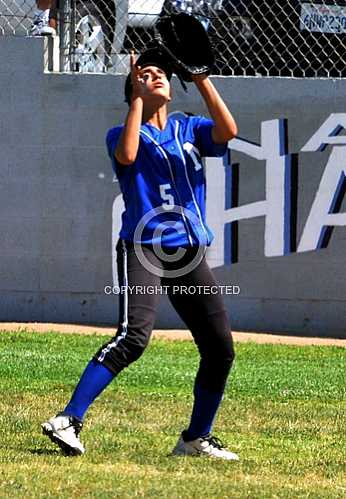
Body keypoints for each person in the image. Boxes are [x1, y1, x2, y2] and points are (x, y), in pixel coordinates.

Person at [41, 48, 239, 460]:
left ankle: (195, 438)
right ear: (133, 86)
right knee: (134, 337)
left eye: (162, 72)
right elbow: (128, 155)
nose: (157, 76)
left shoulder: (189, 127)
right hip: (143, 247)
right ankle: (68, 419)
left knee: (220, 347)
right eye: (146, 73)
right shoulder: (122, 132)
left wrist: (200, 76)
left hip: (189, 252)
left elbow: (227, 132)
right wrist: (136, 96)